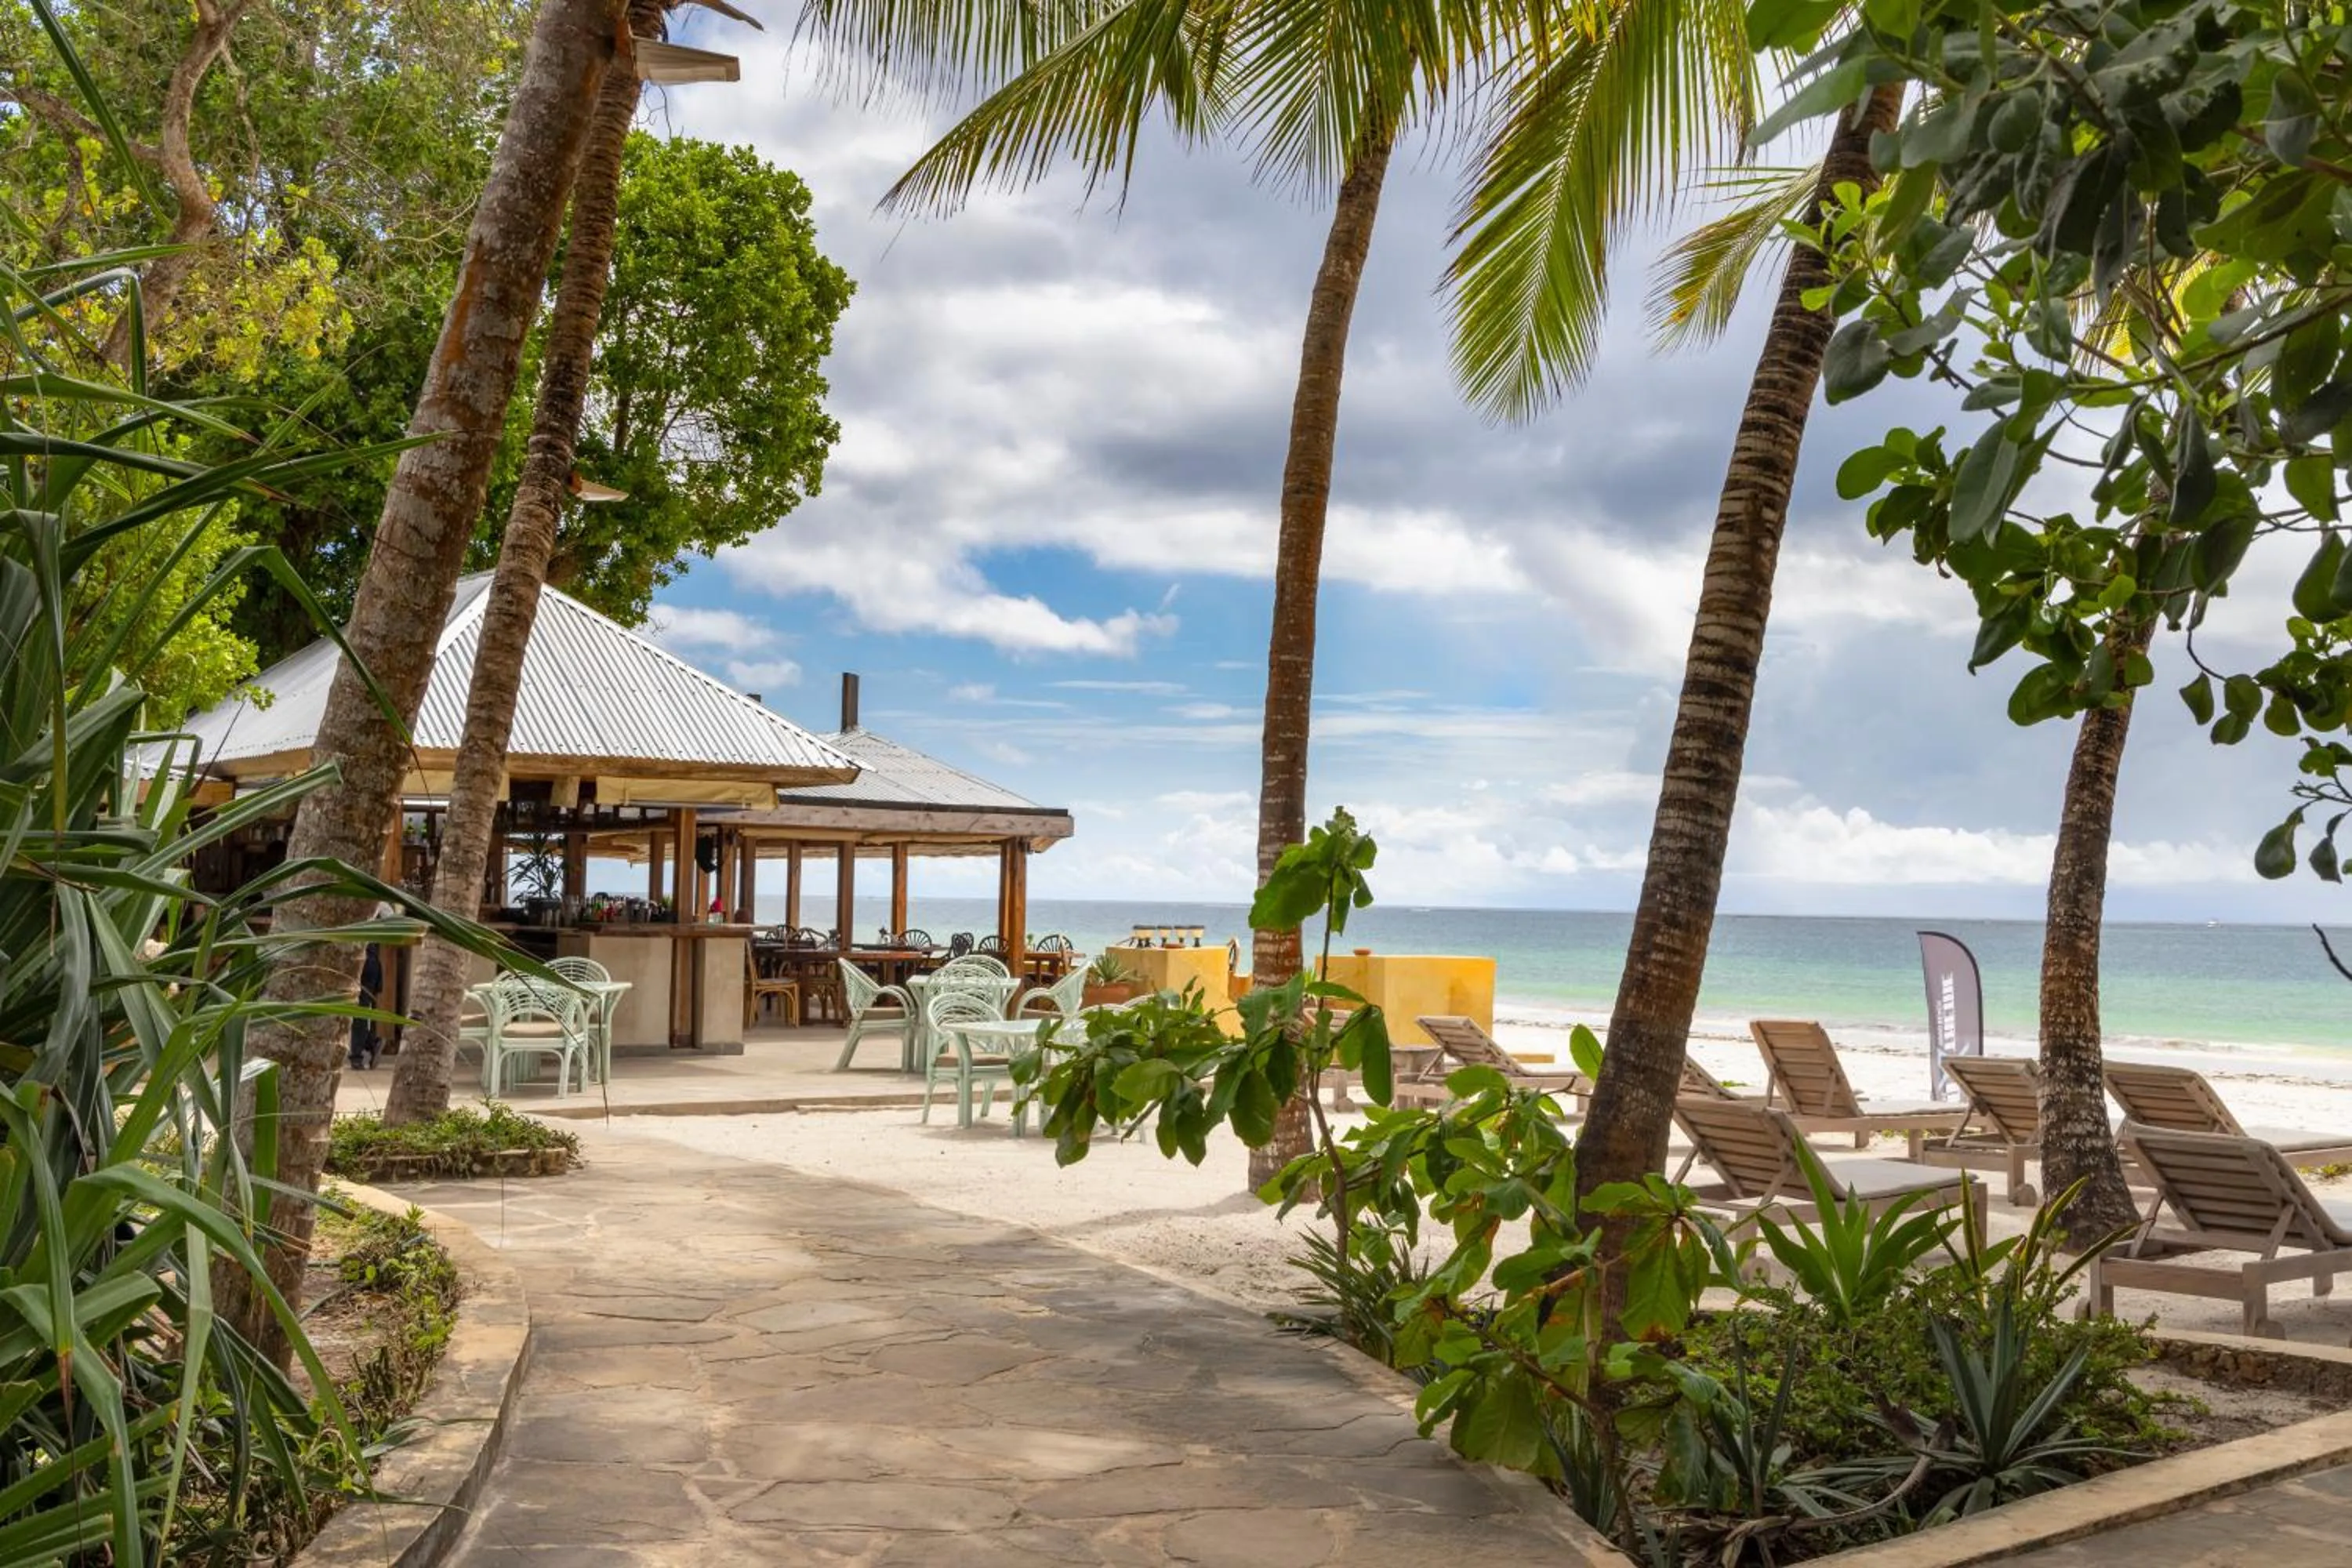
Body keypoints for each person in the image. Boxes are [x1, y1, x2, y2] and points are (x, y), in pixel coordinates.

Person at [348, 899, 396, 1070]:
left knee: (359, 1011)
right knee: (360, 1010)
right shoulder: (379, 903)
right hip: (367, 960)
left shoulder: (344, 901)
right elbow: (394, 923)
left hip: (361, 960)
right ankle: (370, 1043)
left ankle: (357, 1055)